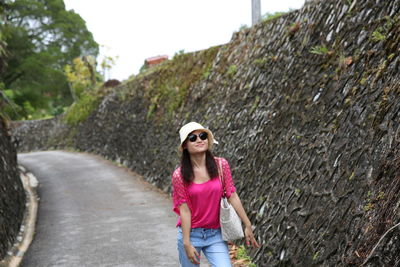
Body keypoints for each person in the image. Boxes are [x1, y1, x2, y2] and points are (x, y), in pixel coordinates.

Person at [172, 122, 260, 267]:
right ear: (185, 146)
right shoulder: (179, 175)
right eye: (192, 138)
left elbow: (232, 195)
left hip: (215, 235)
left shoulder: (221, 165)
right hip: (191, 235)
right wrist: (187, 242)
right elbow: (185, 210)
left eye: (203, 135)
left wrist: (247, 224)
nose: (199, 139)